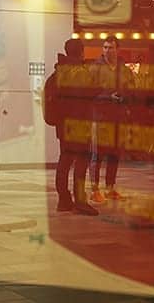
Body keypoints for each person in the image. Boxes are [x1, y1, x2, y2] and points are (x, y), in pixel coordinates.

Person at [43, 38, 98, 215]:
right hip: (80, 125)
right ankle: (80, 201)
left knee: (64, 161)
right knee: (81, 163)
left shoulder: (56, 74)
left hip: (63, 126)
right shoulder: (81, 73)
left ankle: (64, 200)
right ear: (81, 52)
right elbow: (93, 94)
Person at [88, 36, 132, 203]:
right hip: (100, 117)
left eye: (111, 47)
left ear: (117, 49)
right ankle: (94, 190)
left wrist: (125, 97)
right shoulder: (95, 68)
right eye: (105, 47)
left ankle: (110, 188)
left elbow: (131, 88)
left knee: (114, 155)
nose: (107, 50)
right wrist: (107, 97)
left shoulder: (123, 69)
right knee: (97, 154)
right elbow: (88, 92)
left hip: (118, 117)